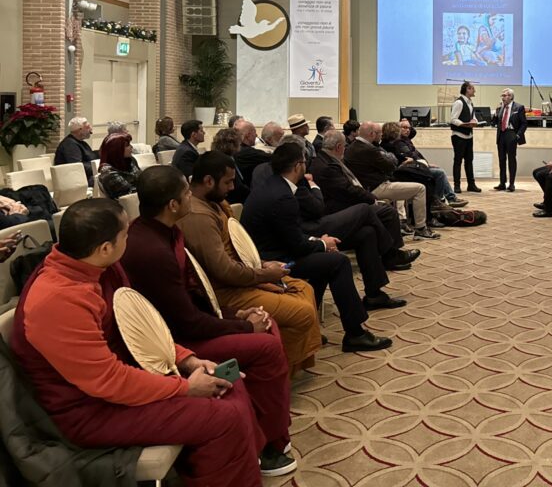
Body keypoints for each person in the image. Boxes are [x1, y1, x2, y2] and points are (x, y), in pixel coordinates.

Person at [10, 199, 268, 486]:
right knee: (223, 417)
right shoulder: (56, 299)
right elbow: (107, 381)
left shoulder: (99, 266)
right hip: (89, 411)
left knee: (228, 383)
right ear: (105, 248)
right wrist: (185, 388)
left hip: (125, 379)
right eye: (125, 234)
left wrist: (188, 360)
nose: (130, 238)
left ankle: (247, 466)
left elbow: (141, 328)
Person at [119, 167, 296, 476]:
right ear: (173, 205)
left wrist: (236, 315)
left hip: (188, 324)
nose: (192, 196)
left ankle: (268, 430)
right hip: (177, 343)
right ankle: (270, 446)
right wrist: (244, 326)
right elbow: (186, 323)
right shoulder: (150, 250)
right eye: (186, 193)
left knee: (267, 327)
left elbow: (194, 297)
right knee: (265, 346)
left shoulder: (165, 231)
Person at [240, 142, 393, 352]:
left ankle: (312, 325)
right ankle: (355, 333)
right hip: (275, 261)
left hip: (276, 250)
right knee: (338, 262)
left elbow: (291, 235)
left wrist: (319, 242)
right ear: (297, 166)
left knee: (356, 240)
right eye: (304, 162)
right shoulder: (283, 196)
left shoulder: (274, 185)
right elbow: (296, 245)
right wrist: (322, 243)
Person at [179, 152, 322, 375]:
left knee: (304, 288)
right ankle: (279, 373)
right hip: (226, 291)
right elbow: (223, 270)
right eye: (228, 182)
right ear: (208, 181)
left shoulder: (213, 202)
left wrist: (263, 264)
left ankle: (292, 363)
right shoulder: (198, 215)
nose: (232, 187)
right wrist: (264, 275)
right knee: (303, 312)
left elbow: (236, 249)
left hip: (243, 275)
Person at [310, 129, 414, 262]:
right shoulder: (328, 166)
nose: (345, 149)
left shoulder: (323, 158)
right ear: (338, 147)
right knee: (388, 212)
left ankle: (389, 254)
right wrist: (370, 198)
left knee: (375, 218)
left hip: (340, 202)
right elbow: (347, 190)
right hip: (337, 208)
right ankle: (392, 255)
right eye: (344, 146)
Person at [346, 121, 440, 239]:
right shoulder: (369, 149)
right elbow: (390, 166)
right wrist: (390, 159)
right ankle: (421, 228)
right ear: (372, 134)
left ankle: (405, 221)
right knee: (420, 188)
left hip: (365, 187)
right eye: (379, 133)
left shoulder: (351, 147)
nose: (381, 135)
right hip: (376, 188)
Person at [395, 119, 465, 206]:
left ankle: (449, 198)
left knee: (438, 170)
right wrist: (425, 165)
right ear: (398, 129)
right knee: (440, 173)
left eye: (409, 128)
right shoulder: (399, 142)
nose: (408, 130)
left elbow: (413, 135)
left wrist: (427, 164)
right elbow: (410, 156)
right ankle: (438, 202)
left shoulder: (407, 140)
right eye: (404, 127)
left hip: (418, 166)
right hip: (413, 169)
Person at [494, 88, 528, 191]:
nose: (503, 98)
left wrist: (517, 136)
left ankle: (511, 184)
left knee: (511, 160)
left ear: (510, 97)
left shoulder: (519, 107)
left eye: (504, 95)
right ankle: (502, 183)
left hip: (511, 134)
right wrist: (496, 113)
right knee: (501, 159)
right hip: (501, 135)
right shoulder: (501, 108)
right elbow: (494, 122)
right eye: (502, 96)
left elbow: (524, 123)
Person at [449, 81, 480, 193]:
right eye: (473, 88)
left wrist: (475, 121)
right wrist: (463, 124)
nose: (474, 90)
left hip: (469, 136)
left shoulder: (470, 103)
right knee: (458, 161)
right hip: (459, 136)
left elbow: (473, 117)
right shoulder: (459, 102)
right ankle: (457, 186)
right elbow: (453, 119)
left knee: (469, 161)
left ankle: (471, 185)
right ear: (467, 89)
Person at [54, 117, 96, 187]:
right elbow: (77, 166)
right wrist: (97, 166)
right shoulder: (69, 145)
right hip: (73, 181)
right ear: (80, 130)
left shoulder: (81, 142)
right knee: (107, 180)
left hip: (84, 177)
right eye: (88, 127)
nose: (91, 129)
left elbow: (90, 156)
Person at [96, 132, 140, 200]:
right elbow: (129, 194)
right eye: (127, 145)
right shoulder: (109, 173)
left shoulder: (130, 160)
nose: (131, 147)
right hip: (127, 203)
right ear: (116, 150)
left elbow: (142, 178)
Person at [211, 127, 249, 204]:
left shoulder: (228, 157)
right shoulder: (224, 161)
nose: (240, 145)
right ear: (233, 144)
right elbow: (238, 188)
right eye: (239, 142)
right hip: (232, 201)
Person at [233, 120, 272, 187]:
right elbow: (274, 158)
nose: (256, 135)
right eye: (254, 132)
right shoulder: (248, 153)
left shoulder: (234, 149)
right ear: (248, 135)